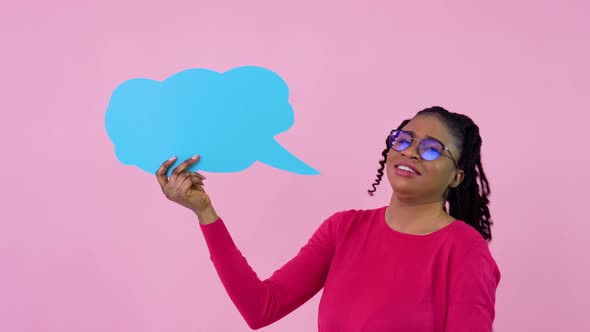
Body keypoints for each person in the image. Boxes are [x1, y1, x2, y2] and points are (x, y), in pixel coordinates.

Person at [155, 106, 501, 331]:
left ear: (456, 176)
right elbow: (261, 307)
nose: (410, 150)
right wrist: (205, 213)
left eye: (430, 148)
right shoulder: (343, 229)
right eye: (403, 139)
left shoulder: (463, 249)